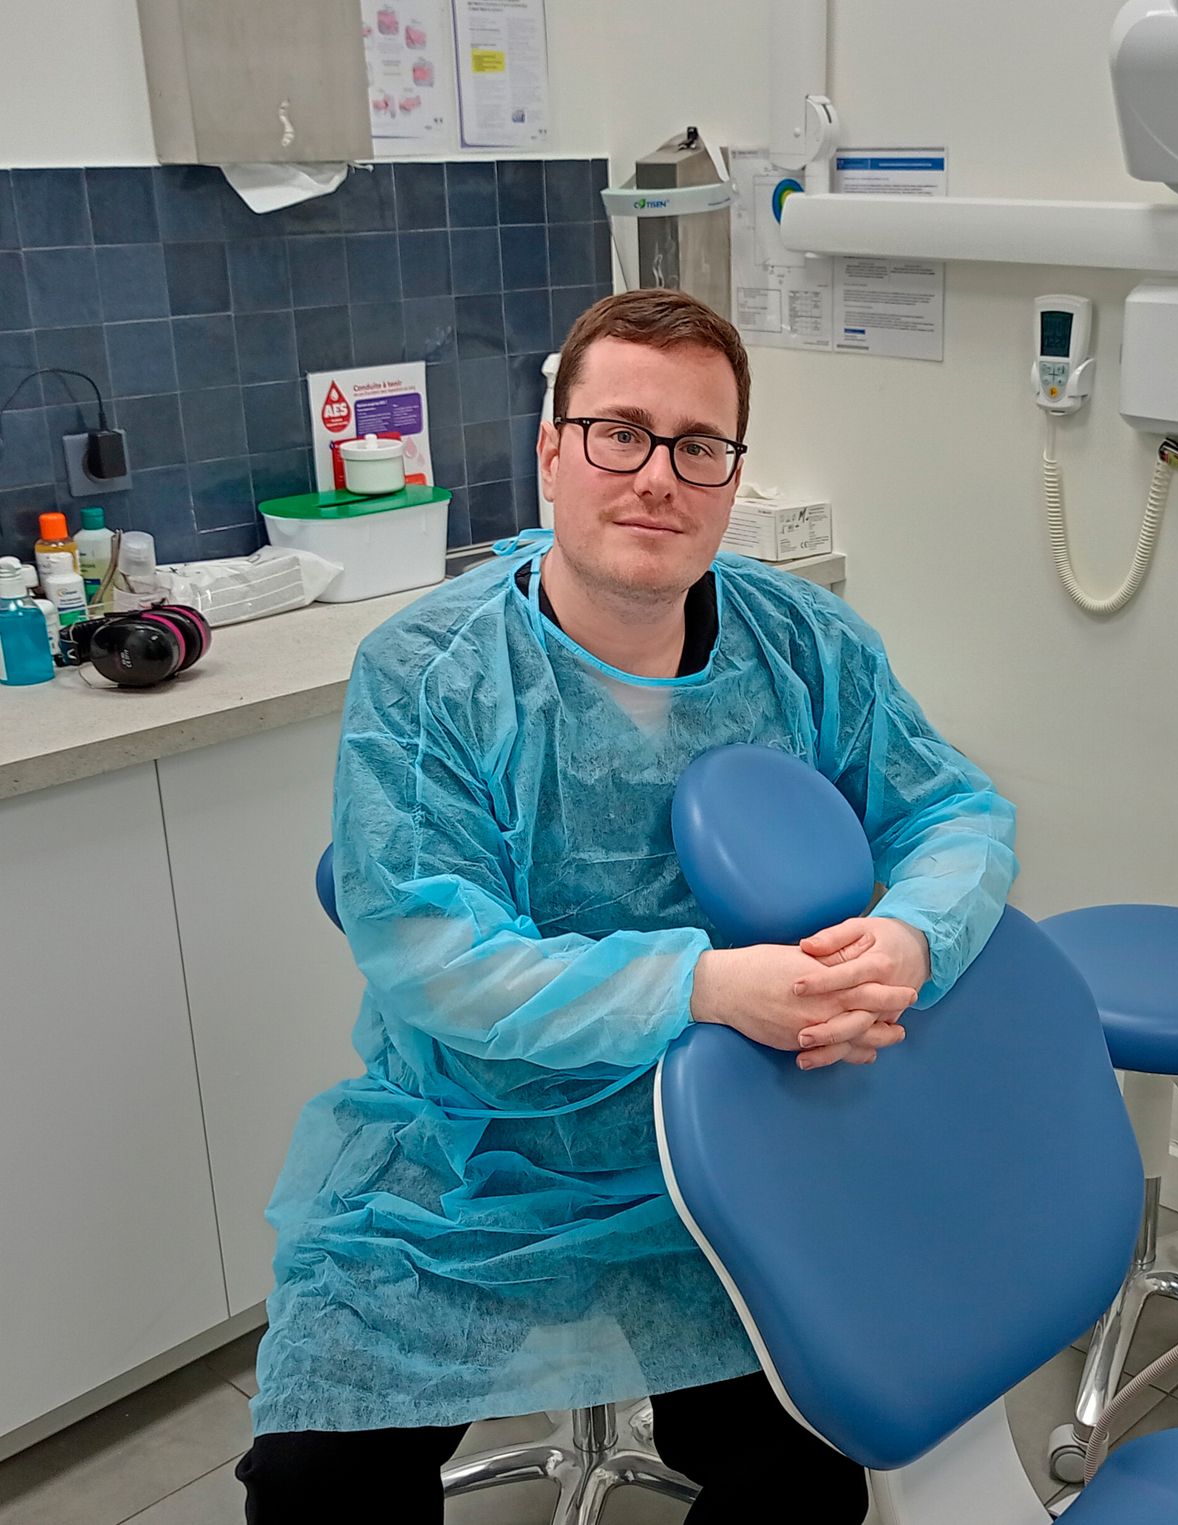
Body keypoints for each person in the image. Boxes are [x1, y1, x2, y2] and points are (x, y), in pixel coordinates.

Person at [235, 290, 1019, 1522]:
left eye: (697, 446)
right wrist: (706, 985)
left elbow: (954, 810)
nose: (657, 475)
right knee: (315, 1478)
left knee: (816, 1468)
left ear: (729, 475)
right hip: (475, 1154)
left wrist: (909, 931)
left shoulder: (803, 644)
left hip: (726, 1143)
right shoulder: (429, 675)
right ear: (550, 451)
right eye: (618, 432)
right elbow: (434, 956)